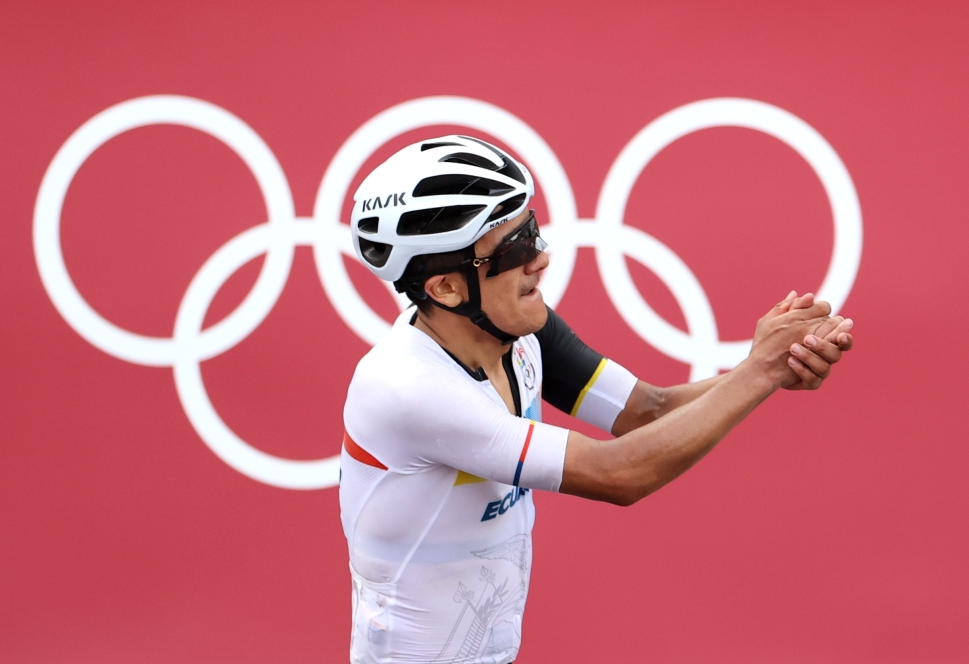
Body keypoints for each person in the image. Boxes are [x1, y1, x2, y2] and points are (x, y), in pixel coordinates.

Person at [339, 136, 853, 664]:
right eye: (516, 251)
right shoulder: (408, 388)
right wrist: (758, 372)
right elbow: (619, 475)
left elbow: (646, 412)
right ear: (446, 289)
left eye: (533, 231)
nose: (541, 259)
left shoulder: (518, 331)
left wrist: (768, 370)